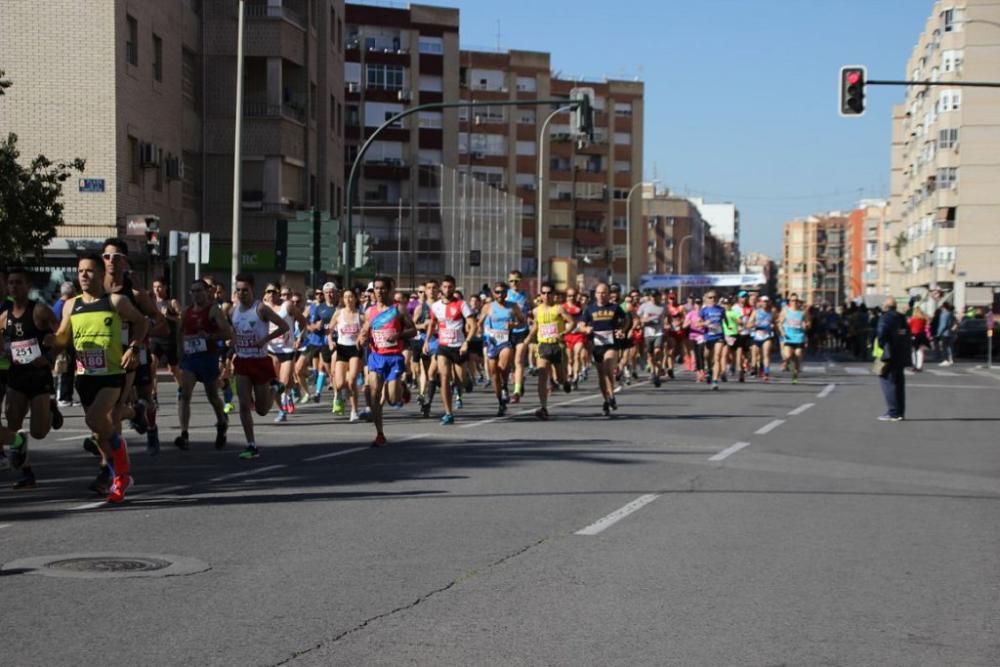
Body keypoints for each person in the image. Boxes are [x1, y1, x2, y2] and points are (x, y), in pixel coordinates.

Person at [51, 253, 149, 502]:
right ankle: (120, 474)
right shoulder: (71, 305)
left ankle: (121, 467)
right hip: (84, 376)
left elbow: (141, 323)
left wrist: (134, 348)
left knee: (95, 419)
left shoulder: (115, 302)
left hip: (111, 375)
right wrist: (49, 342)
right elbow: (63, 336)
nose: (84, 275)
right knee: (98, 433)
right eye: (80, 271)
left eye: (90, 271)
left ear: (101, 274)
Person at [0, 267, 63, 489]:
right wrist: (5, 352)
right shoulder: (4, 317)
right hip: (16, 376)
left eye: (19, 282)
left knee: (38, 431)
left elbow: (61, 337)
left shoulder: (40, 311)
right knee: (13, 422)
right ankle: (27, 473)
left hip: (39, 377)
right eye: (11, 283)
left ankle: (51, 407)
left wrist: (48, 355)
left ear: (28, 286)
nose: (14, 287)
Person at [229, 274, 290, 460]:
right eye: (238, 290)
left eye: (244, 290)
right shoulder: (233, 311)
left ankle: (274, 387)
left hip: (260, 361)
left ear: (252, 290)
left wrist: (265, 339)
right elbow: (234, 332)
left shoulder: (260, 309)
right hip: (242, 361)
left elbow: (283, 326)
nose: (241, 294)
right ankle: (251, 445)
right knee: (244, 404)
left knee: (262, 410)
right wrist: (232, 346)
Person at [175, 278, 233, 451]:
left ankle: (222, 422)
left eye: (199, 290)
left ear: (207, 291)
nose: (196, 294)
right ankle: (184, 434)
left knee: (212, 396)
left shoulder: (213, 310)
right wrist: (179, 354)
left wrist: (209, 336)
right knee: (185, 394)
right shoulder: (186, 311)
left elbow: (227, 333)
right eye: (193, 291)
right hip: (190, 359)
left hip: (208, 358)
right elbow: (179, 333)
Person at [357, 276, 416, 446]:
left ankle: (401, 388)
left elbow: (412, 331)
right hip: (376, 357)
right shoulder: (369, 311)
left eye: (382, 288)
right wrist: (361, 338)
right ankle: (380, 434)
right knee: (374, 394)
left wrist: (398, 335)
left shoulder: (398, 310)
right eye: (376, 288)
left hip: (394, 357)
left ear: (389, 289)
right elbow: (366, 329)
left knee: (392, 399)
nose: (379, 291)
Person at [424, 275, 475, 425]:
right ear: (441, 288)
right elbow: (432, 324)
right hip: (443, 346)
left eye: (450, 287)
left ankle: (466, 381)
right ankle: (448, 413)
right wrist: (426, 341)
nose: (447, 289)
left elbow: (474, 325)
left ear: (454, 287)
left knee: (460, 381)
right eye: (445, 287)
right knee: (444, 377)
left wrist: (466, 342)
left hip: (459, 347)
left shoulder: (461, 304)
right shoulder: (436, 306)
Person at [577, 282, 629, 416]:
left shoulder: (615, 307)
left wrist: (621, 330)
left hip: (611, 344)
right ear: (595, 294)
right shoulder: (589, 309)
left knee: (607, 368)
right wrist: (586, 329)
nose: (601, 295)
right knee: (601, 375)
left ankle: (611, 395)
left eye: (604, 292)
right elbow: (581, 325)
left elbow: (626, 320)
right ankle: (606, 400)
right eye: (599, 293)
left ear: (608, 294)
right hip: (596, 345)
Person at [528, 282, 575, 419]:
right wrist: (527, 339)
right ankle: (543, 408)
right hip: (543, 345)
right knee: (542, 375)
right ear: (540, 294)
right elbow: (536, 326)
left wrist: (563, 333)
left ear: (554, 295)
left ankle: (565, 381)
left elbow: (572, 322)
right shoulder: (537, 310)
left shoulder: (559, 309)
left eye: (549, 293)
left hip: (557, 346)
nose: (546, 295)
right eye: (543, 293)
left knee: (559, 378)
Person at [479, 282, 524, 417]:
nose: (500, 295)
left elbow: (523, 321)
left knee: (503, 366)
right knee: (494, 373)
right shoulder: (488, 307)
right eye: (497, 292)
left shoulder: (513, 306)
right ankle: (500, 402)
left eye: (503, 292)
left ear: (506, 293)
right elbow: (479, 322)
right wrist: (480, 330)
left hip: (505, 341)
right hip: (491, 342)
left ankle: (505, 385)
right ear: (493, 293)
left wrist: (513, 325)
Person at [331, 288, 364, 422]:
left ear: (355, 299)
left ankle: (354, 411)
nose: (348, 299)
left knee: (351, 381)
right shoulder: (339, 314)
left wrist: (362, 338)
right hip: (342, 349)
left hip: (355, 350)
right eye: (345, 297)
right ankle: (339, 394)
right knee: (339, 384)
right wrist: (330, 342)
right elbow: (329, 330)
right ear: (342, 299)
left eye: (351, 297)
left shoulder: (360, 316)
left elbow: (366, 331)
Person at [875, 296, 909, 421]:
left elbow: (881, 333)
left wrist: (882, 344)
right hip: (900, 353)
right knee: (899, 383)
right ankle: (899, 412)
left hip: (887, 354)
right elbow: (904, 333)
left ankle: (893, 412)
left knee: (886, 381)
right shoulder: (901, 318)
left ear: (886, 307)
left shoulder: (886, 317)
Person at [52, 281, 78, 407]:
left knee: (68, 369)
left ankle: (67, 396)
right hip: (63, 342)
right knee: (63, 369)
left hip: (68, 341)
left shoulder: (62, 304)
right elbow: (56, 325)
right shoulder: (61, 305)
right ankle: (62, 397)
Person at [698, 291, 726, 390]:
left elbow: (725, 323)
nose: (712, 299)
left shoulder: (721, 309)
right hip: (708, 336)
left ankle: (715, 381)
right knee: (707, 356)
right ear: (706, 299)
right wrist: (705, 323)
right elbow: (698, 324)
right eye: (710, 297)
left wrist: (729, 332)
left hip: (719, 336)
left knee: (717, 357)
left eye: (714, 297)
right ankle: (709, 370)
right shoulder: (703, 310)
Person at [778, 294, 807, 384]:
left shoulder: (803, 312)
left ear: (798, 302)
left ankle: (795, 376)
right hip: (788, 338)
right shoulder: (785, 311)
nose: (794, 302)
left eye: (796, 301)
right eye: (792, 300)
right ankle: (785, 363)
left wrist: (805, 325)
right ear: (789, 302)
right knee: (788, 356)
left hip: (799, 338)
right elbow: (779, 323)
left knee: (798, 357)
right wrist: (782, 332)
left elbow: (808, 323)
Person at [908, 306, 930, 371]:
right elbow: (925, 326)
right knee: (920, 351)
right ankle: (919, 366)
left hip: (914, 335)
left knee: (913, 351)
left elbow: (909, 327)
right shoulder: (923, 319)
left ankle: (914, 365)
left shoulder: (912, 319)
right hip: (922, 335)